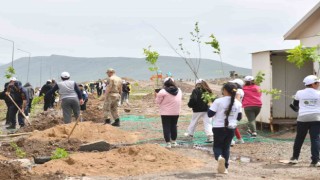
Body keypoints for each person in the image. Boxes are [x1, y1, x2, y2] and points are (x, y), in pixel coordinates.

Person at [208, 82, 242, 174]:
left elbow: (210, 114)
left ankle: (219, 157)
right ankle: (225, 168)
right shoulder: (238, 103)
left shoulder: (218, 101)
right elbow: (239, 117)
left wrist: (209, 105)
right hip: (232, 128)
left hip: (219, 127)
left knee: (217, 146)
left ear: (225, 91)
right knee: (226, 147)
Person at [289, 75, 320, 167]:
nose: (318, 84)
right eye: (317, 83)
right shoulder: (319, 93)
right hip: (316, 118)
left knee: (299, 138)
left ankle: (295, 158)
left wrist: (301, 109)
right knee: (315, 138)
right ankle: (315, 161)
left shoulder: (299, 92)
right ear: (313, 84)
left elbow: (295, 105)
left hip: (302, 118)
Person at [155, 77, 182, 149]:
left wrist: (156, 95)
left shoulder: (162, 91)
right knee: (174, 126)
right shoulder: (179, 90)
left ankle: (168, 143)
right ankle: (174, 142)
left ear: (165, 83)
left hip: (165, 112)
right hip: (176, 112)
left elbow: (157, 102)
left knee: (166, 126)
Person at [229, 79, 245, 145]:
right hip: (237, 109)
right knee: (233, 124)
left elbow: (237, 100)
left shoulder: (238, 91)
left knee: (230, 124)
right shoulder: (241, 90)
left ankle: (231, 140)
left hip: (234, 109)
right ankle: (239, 139)